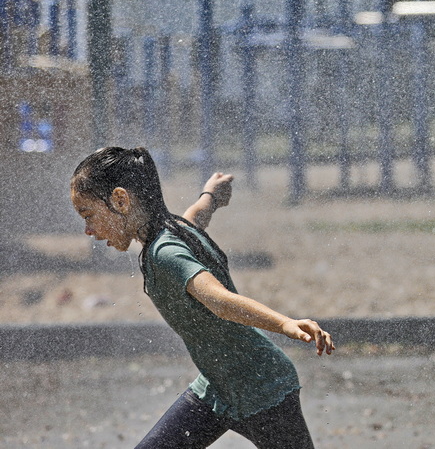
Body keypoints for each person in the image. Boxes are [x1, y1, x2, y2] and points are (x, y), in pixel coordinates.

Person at [70, 146, 334, 448]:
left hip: (263, 389)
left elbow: (218, 300)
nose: (88, 230)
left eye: (88, 214)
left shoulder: (165, 253)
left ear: (120, 200)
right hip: (217, 389)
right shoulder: (175, 229)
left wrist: (286, 324)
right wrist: (211, 195)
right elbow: (197, 215)